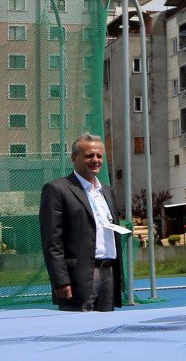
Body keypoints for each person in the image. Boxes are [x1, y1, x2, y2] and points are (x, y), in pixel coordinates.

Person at [39, 133, 124, 312]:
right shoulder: (57, 190)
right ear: (74, 158)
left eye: (99, 156)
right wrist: (61, 280)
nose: (95, 160)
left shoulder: (108, 192)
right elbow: (52, 242)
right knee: (80, 331)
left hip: (109, 273)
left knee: (108, 333)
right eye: (89, 155)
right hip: (78, 277)